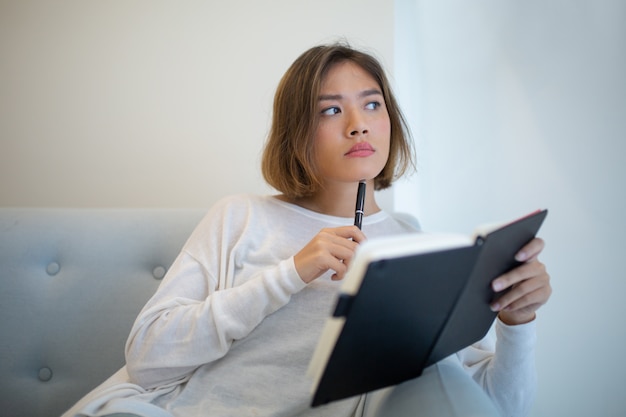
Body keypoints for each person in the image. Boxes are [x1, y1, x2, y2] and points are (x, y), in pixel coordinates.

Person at [62, 42, 551, 417]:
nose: (359, 125)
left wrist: (517, 325)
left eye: (373, 104)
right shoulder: (241, 216)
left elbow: (489, 405)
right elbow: (148, 356)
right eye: (331, 110)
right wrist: (290, 273)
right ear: (297, 131)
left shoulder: (414, 243)